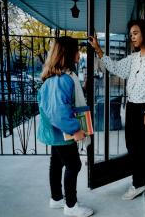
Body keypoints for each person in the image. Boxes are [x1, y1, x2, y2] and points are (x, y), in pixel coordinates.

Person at [88, 19, 145, 200]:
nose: (132, 37)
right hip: (132, 107)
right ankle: (140, 182)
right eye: (131, 34)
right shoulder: (133, 59)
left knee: (144, 148)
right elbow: (116, 67)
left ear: (144, 34)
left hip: (144, 109)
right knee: (132, 147)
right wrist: (98, 50)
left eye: (135, 33)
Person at [37, 36, 94, 217]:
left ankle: (56, 199)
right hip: (63, 132)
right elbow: (58, 112)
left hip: (56, 133)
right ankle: (71, 205)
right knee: (74, 165)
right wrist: (75, 129)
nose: (79, 53)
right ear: (68, 54)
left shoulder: (58, 77)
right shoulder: (62, 79)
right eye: (77, 50)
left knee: (57, 162)